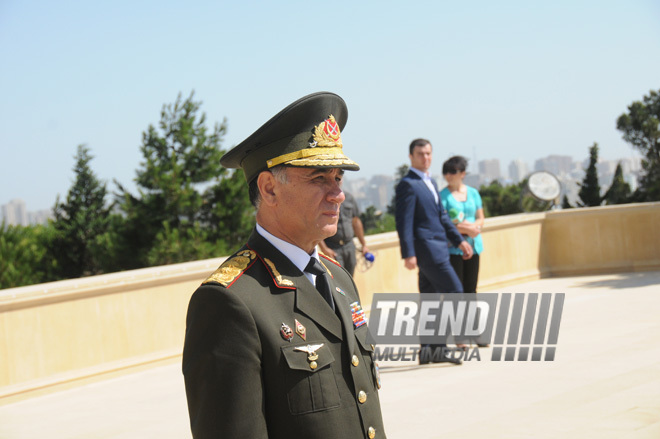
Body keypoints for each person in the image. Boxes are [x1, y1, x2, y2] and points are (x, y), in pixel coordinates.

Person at [182, 92, 386, 439]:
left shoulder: (337, 279)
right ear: (269, 189)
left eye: (338, 178)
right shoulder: (231, 302)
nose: (337, 194)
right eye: (319, 178)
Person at [394, 138, 473, 365]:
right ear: (411, 157)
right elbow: (404, 222)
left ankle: (427, 351)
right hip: (427, 249)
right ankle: (438, 348)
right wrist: (408, 253)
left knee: (429, 299)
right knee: (455, 291)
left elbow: (442, 217)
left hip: (440, 246)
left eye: (428, 153)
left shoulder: (430, 182)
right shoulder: (408, 184)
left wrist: (459, 241)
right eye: (420, 154)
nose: (425, 158)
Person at [440, 156, 484, 295]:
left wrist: (473, 227)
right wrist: (461, 228)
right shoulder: (442, 196)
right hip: (453, 248)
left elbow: (480, 217)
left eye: (452, 172)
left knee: (471, 289)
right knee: (456, 291)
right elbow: (442, 222)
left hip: (474, 244)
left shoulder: (473, 193)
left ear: (462, 174)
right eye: (446, 172)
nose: (448, 176)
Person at [318, 190, 370, 276]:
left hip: (349, 246)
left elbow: (356, 221)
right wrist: (324, 248)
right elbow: (316, 224)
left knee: (349, 278)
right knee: (338, 278)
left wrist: (364, 244)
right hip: (333, 247)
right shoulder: (325, 197)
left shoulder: (349, 197)